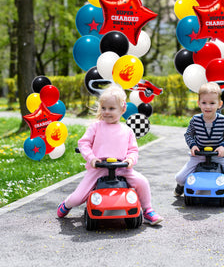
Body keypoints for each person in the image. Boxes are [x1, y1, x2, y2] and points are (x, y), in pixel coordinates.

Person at [57, 84, 163, 225]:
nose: (106, 112)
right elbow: (83, 143)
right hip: (98, 169)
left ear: (122, 109)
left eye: (111, 108)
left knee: (142, 182)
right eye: (104, 108)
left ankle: (148, 210)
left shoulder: (127, 130)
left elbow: (133, 150)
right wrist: (92, 158)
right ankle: (67, 204)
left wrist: (130, 159)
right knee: (78, 197)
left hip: (122, 168)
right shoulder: (96, 127)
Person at [174, 82, 224, 201]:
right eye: (204, 103)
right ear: (199, 103)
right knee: (179, 177)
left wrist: (223, 147)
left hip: (219, 155)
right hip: (199, 155)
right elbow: (188, 134)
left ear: (219, 104)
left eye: (212, 103)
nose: (207, 107)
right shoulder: (195, 120)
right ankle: (180, 186)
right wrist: (193, 145)